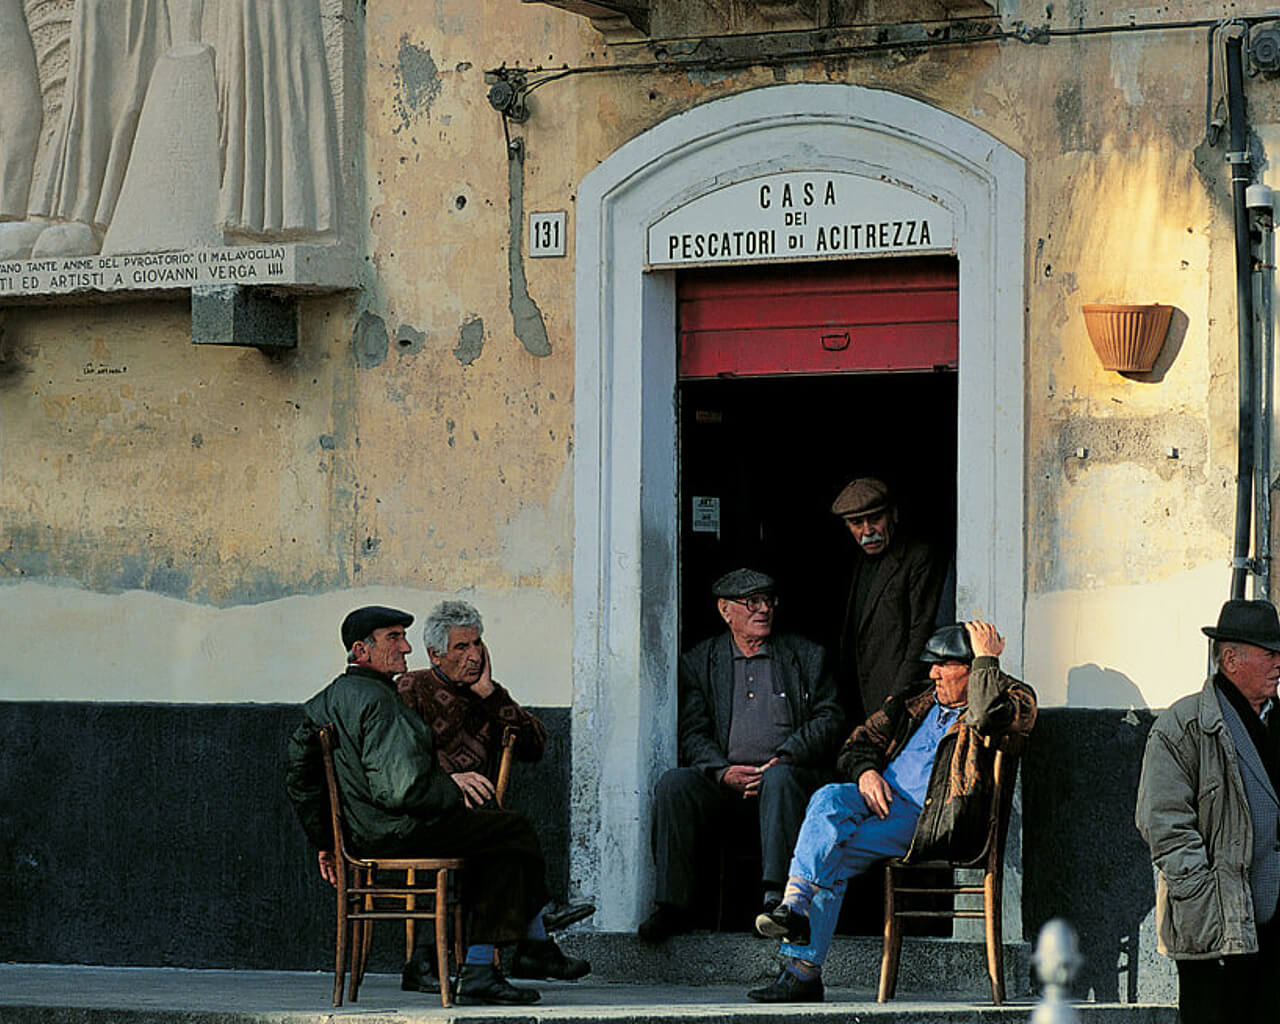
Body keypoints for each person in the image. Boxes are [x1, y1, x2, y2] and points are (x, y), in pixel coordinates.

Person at [284, 605, 588, 1007]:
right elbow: (400, 789)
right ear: (361, 650)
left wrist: (326, 841)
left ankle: (519, 948)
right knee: (508, 831)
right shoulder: (383, 701)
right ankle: (501, 957)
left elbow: (300, 775)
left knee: (495, 831)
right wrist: (451, 787)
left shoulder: (326, 700)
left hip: (371, 831)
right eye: (393, 638)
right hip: (397, 829)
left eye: (402, 636)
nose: (405, 647)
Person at [748, 620, 1036, 1002]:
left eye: (943, 665)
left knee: (831, 851)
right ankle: (795, 904)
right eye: (931, 664)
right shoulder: (918, 699)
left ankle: (802, 968)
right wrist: (866, 773)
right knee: (828, 798)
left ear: (971, 667)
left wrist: (987, 662)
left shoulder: (1014, 698)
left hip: (930, 819)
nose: (932, 672)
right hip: (880, 799)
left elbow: (985, 717)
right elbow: (857, 742)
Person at [638, 568, 844, 942]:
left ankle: (777, 904)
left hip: (786, 781)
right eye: (752, 602)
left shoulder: (806, 656)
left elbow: (830, 718)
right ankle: (671, 907)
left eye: (768, 600)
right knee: (674, 784)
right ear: (725, 610)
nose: (763, 609)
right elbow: (693, 731)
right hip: (727, 785)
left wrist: (786, 755)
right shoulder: (701, 661)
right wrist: (721, 771)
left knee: (781, 780)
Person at [397, 599, 593, 938]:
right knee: (508, 835)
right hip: (429, 812)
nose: (473, 655)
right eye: (461, 647)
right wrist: (448, 779)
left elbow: (534, 746)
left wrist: (490, 693)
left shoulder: (486, 695)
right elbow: (400, 759)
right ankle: (536, 936)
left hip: (479, 815)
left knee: (503, 836)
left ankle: (528, 948)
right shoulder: (411, 689)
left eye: (477, 643)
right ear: (435, 654)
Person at [1135, 599, 1280, 1024]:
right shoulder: (1183, 727)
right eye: (1269, 654)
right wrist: (1204, 896)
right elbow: (1162, 822)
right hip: (1217, 928)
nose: (1278, 664)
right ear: (1231, 658)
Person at [831, 477, 944, 723]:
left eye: (874, 519)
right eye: (856, 523)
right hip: (858, 698)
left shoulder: (917, 557)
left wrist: (896, 699)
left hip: (896, 702)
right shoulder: (857, 560)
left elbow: (920, 634)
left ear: (893, 514)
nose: (867, 531)